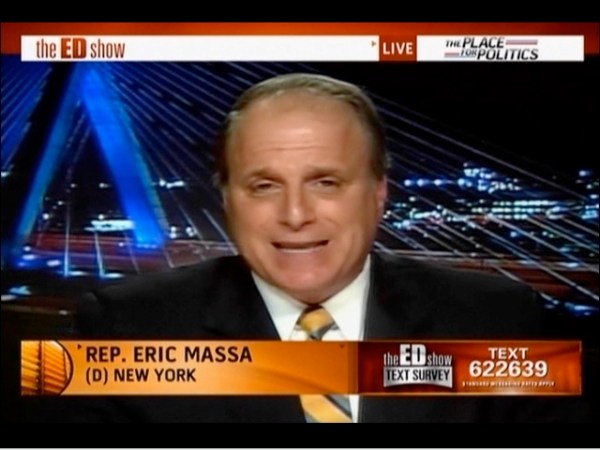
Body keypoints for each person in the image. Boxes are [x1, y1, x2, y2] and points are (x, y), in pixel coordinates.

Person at [57, 73, 588, 422]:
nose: (295, 215)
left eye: (326, 183)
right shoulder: (122, 327)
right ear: (226, 200)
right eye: (264, 186)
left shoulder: (498, 319)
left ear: (378, 194)